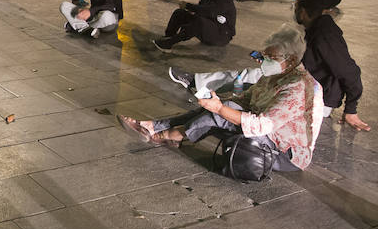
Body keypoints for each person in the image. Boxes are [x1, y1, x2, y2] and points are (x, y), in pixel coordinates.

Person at [120, 24, 321, 171]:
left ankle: (169, 135)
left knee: (219, 115)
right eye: (264, 56)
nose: (265, 62)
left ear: (292, 59)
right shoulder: (277, 74)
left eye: (271, 58)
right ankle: (156, 126)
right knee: (221, 107)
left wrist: (219, 109)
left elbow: (262, 125)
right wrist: (219, 101)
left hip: (286, 154)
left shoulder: (297, 88)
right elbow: (247, 98)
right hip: (269, 137)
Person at [294, 0, 370, 131]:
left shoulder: (325, 35)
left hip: (319, 101)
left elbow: (350, 72)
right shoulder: (315, 29)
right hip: (311, 90)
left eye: (296, 7)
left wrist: (351, 109)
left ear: (303, 12)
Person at [152, 0, 235, 51]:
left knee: (199, 22)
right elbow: (201, 8)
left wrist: (189, 6)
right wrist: (191, 12)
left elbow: (210, 11)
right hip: (208, 26)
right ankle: (169, 36)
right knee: (180, 13)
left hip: (221, 35)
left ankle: (169, 43)